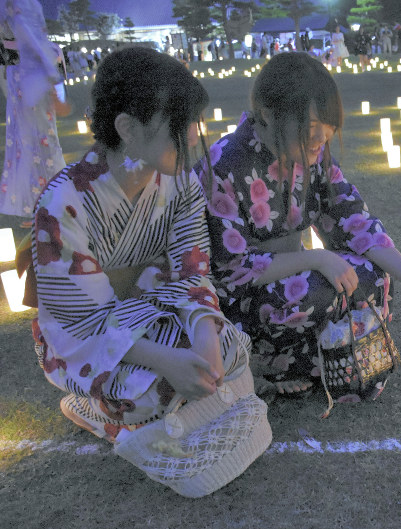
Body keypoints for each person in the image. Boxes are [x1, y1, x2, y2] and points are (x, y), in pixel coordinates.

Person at [193, 52, 401, 398]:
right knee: (314, 291)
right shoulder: (223, 166)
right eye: (313, 127)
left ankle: (318, 356)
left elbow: (359, 226)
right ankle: (263, 362)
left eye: (328, 129)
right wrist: (317, 258)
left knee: (370, 275)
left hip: (290, 277)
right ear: (268, 114)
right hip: (243, 301)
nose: (323, 139)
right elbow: (232, 271)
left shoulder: (312, 157)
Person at [30, 46, 263, 470]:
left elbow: (192, 271)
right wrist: (166, 360)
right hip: (86, 340)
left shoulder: (180, 184)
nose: (192, 135)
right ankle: (97, 411)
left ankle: (159, 405)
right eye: (179, 123)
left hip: (153, 314)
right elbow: (82, 323)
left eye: (192, 121)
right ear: (127, 128)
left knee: (227, 348)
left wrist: (205, 338)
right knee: (151, 390)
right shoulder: (63, 204)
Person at [0, 0, 66, 222]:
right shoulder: (20, 4)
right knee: (40, 141)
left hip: (22, 75)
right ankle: (49, 202)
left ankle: (39, 203)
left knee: (30, 141)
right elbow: (30, 36)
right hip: (30, 74)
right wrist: (52, 70)